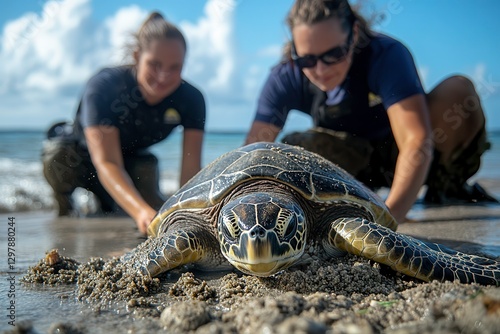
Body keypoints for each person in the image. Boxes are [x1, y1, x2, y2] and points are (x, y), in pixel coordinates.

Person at [245, 0, 496, 224]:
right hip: (351, 170)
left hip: (408, 156)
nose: (320, 70)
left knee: (458, 92)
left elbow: (415, 140)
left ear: (354, 34)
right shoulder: (285, 76)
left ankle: (446, 189)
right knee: (297, 146)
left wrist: (389, 220)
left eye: (333, 54)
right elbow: (250, 156)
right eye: (307, 60)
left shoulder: (385, 55)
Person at [42, 12, 206, 234]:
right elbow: (107, 162)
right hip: (81, 158)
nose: (163, 76)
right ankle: (65, 208)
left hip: (132, 162)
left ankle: (111, 206)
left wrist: (188, 215)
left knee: (150, 208)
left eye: (174, 68)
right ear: (138, 56)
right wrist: (140, 212)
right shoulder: (106, 87)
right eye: (154, 64)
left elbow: (191, 171)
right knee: (57, 157)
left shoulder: (191, 99)